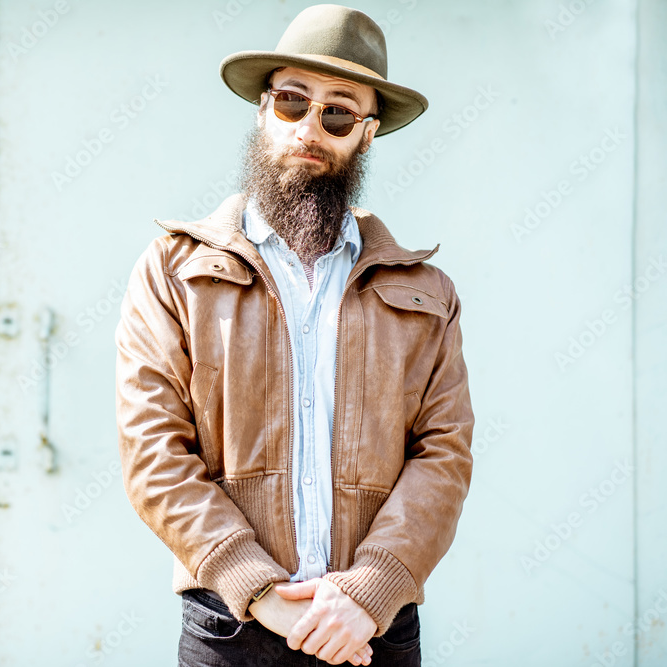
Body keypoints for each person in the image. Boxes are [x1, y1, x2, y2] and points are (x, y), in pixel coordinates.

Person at [114, 5, 474, 666]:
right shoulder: (173, 271)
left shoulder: (428, 292)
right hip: (232, 626)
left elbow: (443, 454)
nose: (310, 125)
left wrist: (368, 591)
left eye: (338, 112)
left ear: (365, 135)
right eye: (291, 102)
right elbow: (153, 450)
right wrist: (259, 589)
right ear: (261, 110)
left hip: (373, 629)